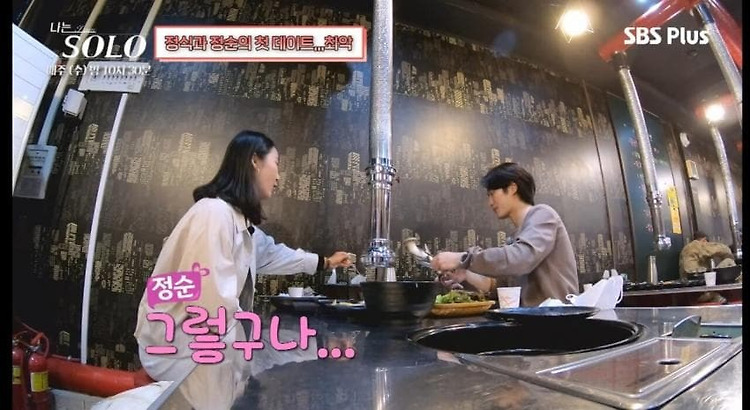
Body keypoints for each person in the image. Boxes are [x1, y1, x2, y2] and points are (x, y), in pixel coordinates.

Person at [133, 130, 352, 408]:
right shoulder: (213, 213)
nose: (279, 176)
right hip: (180, 353)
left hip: (205, 339)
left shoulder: (239, 222)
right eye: (276, 164)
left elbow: (273, 254)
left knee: (259, 359)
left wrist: (325, 262)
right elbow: (210, 304)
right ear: (255, 161)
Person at [430, 162, 578, 307]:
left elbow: (521, 259)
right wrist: (466, 275)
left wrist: (463, 259)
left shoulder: (543, 214)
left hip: (559, 317)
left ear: (512, 188)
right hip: (533, 318)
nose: (490, 202)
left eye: (492, 194)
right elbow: (504, 287)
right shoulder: (515, 237)